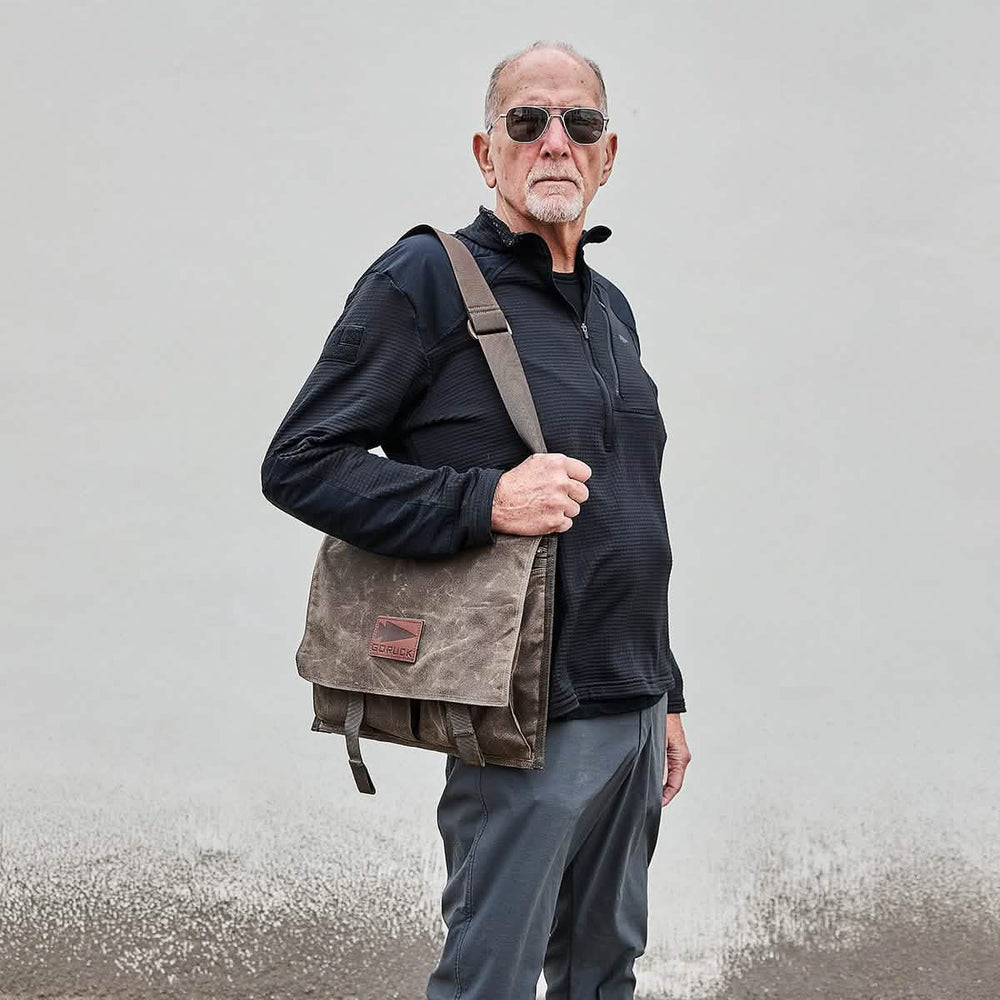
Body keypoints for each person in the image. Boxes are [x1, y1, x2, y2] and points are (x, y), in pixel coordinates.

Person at [260, 38, 693, 1000]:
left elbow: (631, 510)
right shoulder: (425, 279)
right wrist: (484, 500)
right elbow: (298, 465)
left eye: (579, 124)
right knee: (489, 982)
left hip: (631, 708)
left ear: (608, 154)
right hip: (523, 717)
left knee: (604, 971)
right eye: (526, 121)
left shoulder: (610, 308)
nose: (554, 142)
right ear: (483, 150)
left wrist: (667, 692)